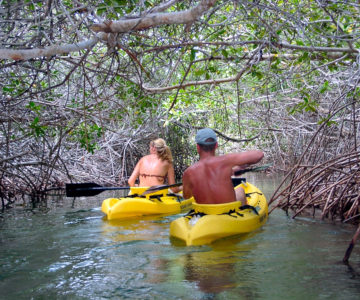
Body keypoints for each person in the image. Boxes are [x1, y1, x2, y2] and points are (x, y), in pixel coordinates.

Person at [182, 128, 264, 205]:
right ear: (216, 145)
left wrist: (230, 171)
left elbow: (187, 196)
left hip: (204, 213)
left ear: (198, 147)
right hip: (228, 211)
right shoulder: (225, 161)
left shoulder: (188, 173)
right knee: (240, 190)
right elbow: (259, 155)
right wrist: (240, 164)